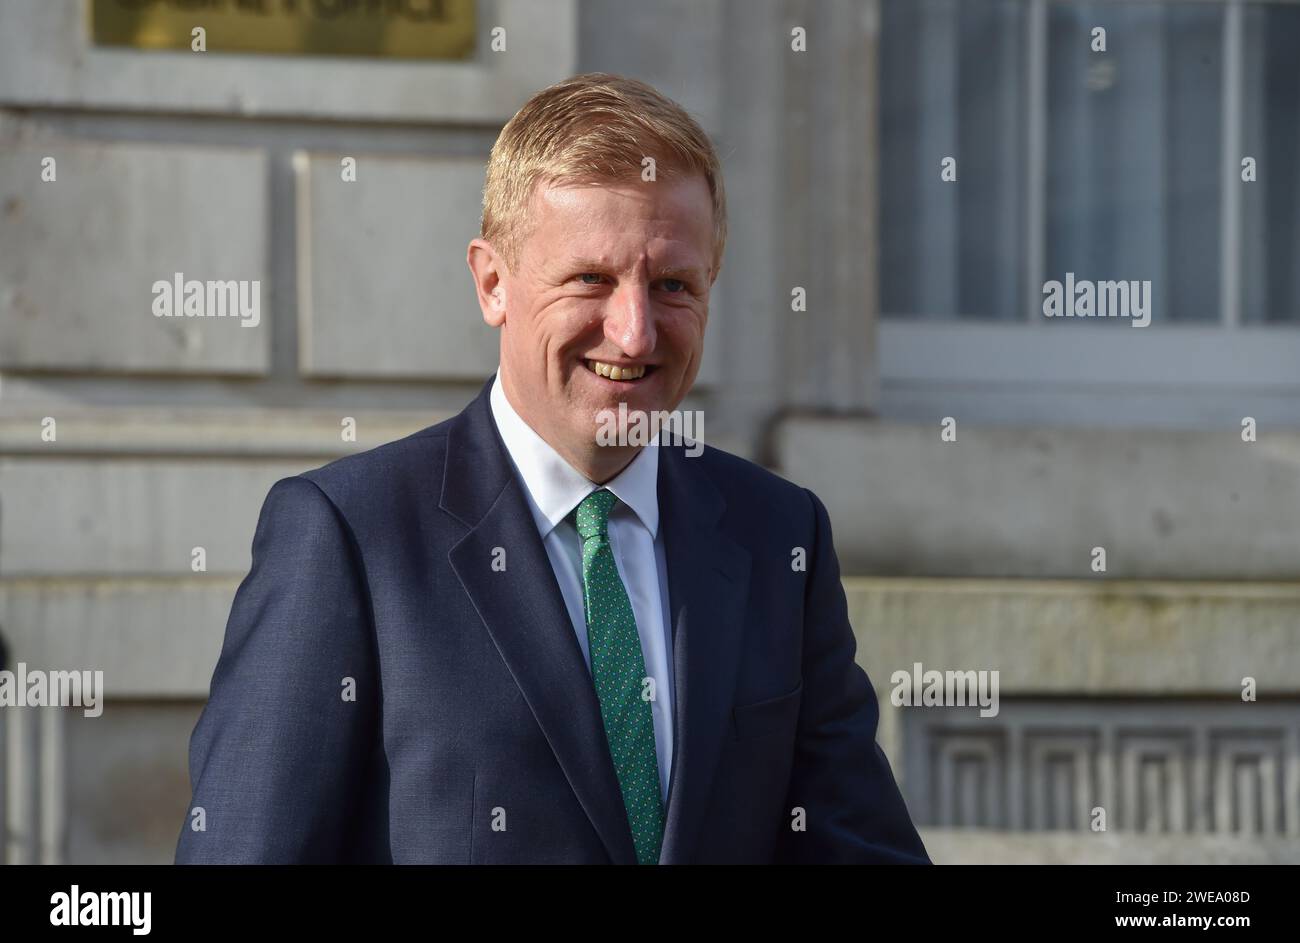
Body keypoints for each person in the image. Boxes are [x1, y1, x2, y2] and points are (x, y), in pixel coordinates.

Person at [175, 72, 928, 864]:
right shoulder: (350, 538)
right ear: (493, 282)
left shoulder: (780, 537)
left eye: (673, 284)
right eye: (591, 280)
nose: (635, 333)